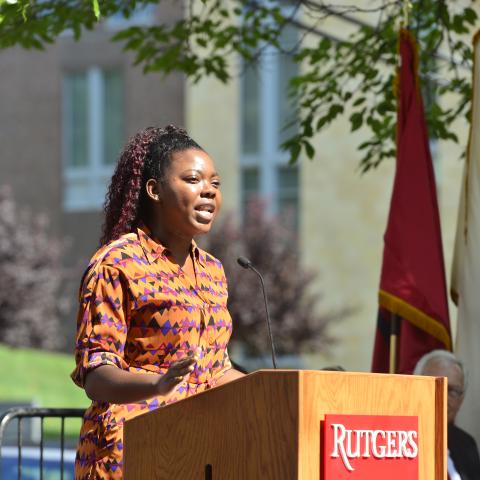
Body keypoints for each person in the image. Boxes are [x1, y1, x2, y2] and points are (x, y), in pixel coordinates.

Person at [71, 125, 244, 479]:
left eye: (216, 183)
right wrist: (157, 384)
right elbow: (96, 373)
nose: (209, 191)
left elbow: (216, 369)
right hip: (129, 451)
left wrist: (276, 388)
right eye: (194, 179)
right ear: (154, 190)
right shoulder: (119, 264)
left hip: (197, 451)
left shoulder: (212, 271)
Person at [414, 350, 480, 480]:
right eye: (436, 385)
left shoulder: (466, 444)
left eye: (452, 391)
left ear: (461, 400)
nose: (443, 397)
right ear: (415, 387)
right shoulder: (394, 441)